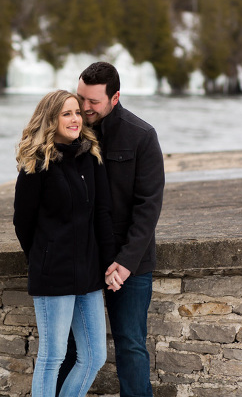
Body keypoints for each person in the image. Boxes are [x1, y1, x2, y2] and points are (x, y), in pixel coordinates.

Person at [70, 62, 165, 396]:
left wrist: (125, 262)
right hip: (83, 259)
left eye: (93, 101)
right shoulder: (72, 130)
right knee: (70, 349)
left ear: (115, 97)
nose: (84, 107)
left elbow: (148, 206)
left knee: (130, 345)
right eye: (81, 97)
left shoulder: (141, 135)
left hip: (131, 265)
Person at [13, 90, 117, 397]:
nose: (75, 119)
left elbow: (101, 214)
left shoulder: (90, 156)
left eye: (77, 112)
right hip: (54, 273)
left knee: (94, 357)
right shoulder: (37, 165)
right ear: (51, 119)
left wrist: (108, 261)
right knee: (52, 357)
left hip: (89, 273)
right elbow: (23, 223)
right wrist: (44, 256)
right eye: (66, 114)